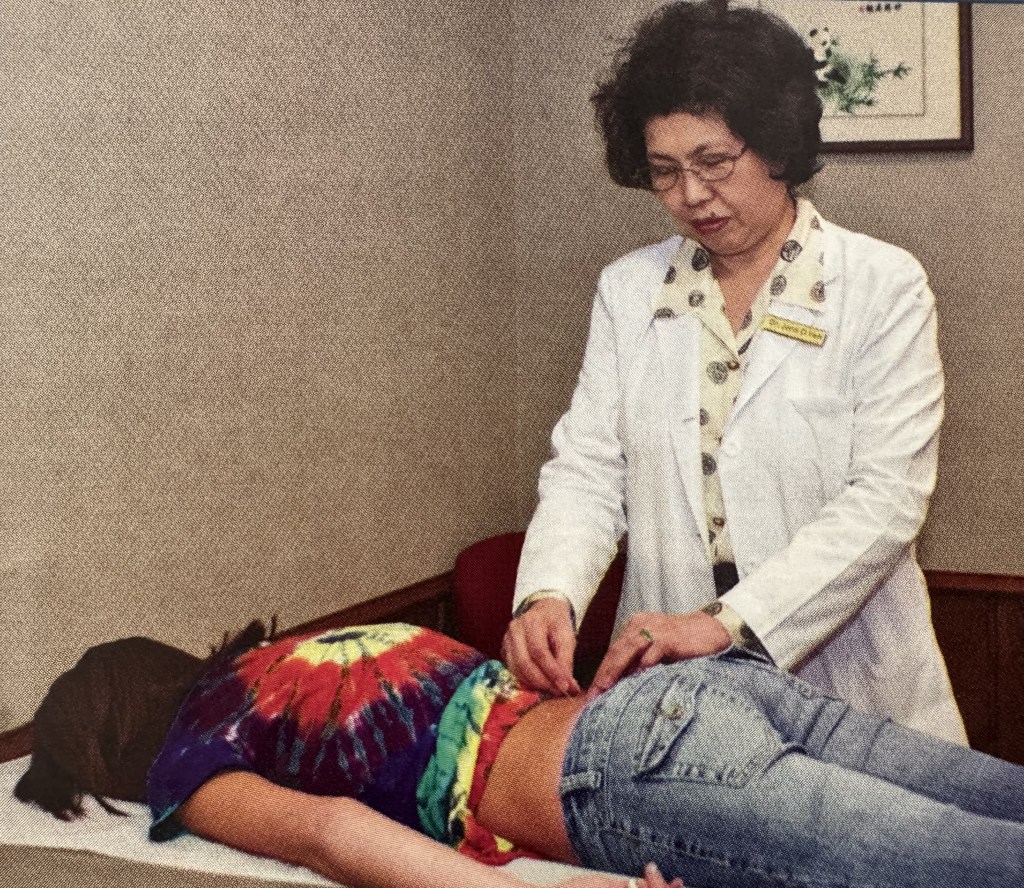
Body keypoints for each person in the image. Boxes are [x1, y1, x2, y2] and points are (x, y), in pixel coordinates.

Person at [503, 0, 964, 743]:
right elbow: (589, 469)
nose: (690, 195)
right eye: (664, 172)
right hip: (678, 696)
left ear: (776, 145)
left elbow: (885, 501)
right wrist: (548, 593)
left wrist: (726, 623)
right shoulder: (629, 291)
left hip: (853, 685)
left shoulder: (883, 285)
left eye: (714, 163)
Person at [15, 621, 1024, 887]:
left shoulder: (191, 760)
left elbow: (330, 834)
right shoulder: (300, 658)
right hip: (693, 690)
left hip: (630, 765)